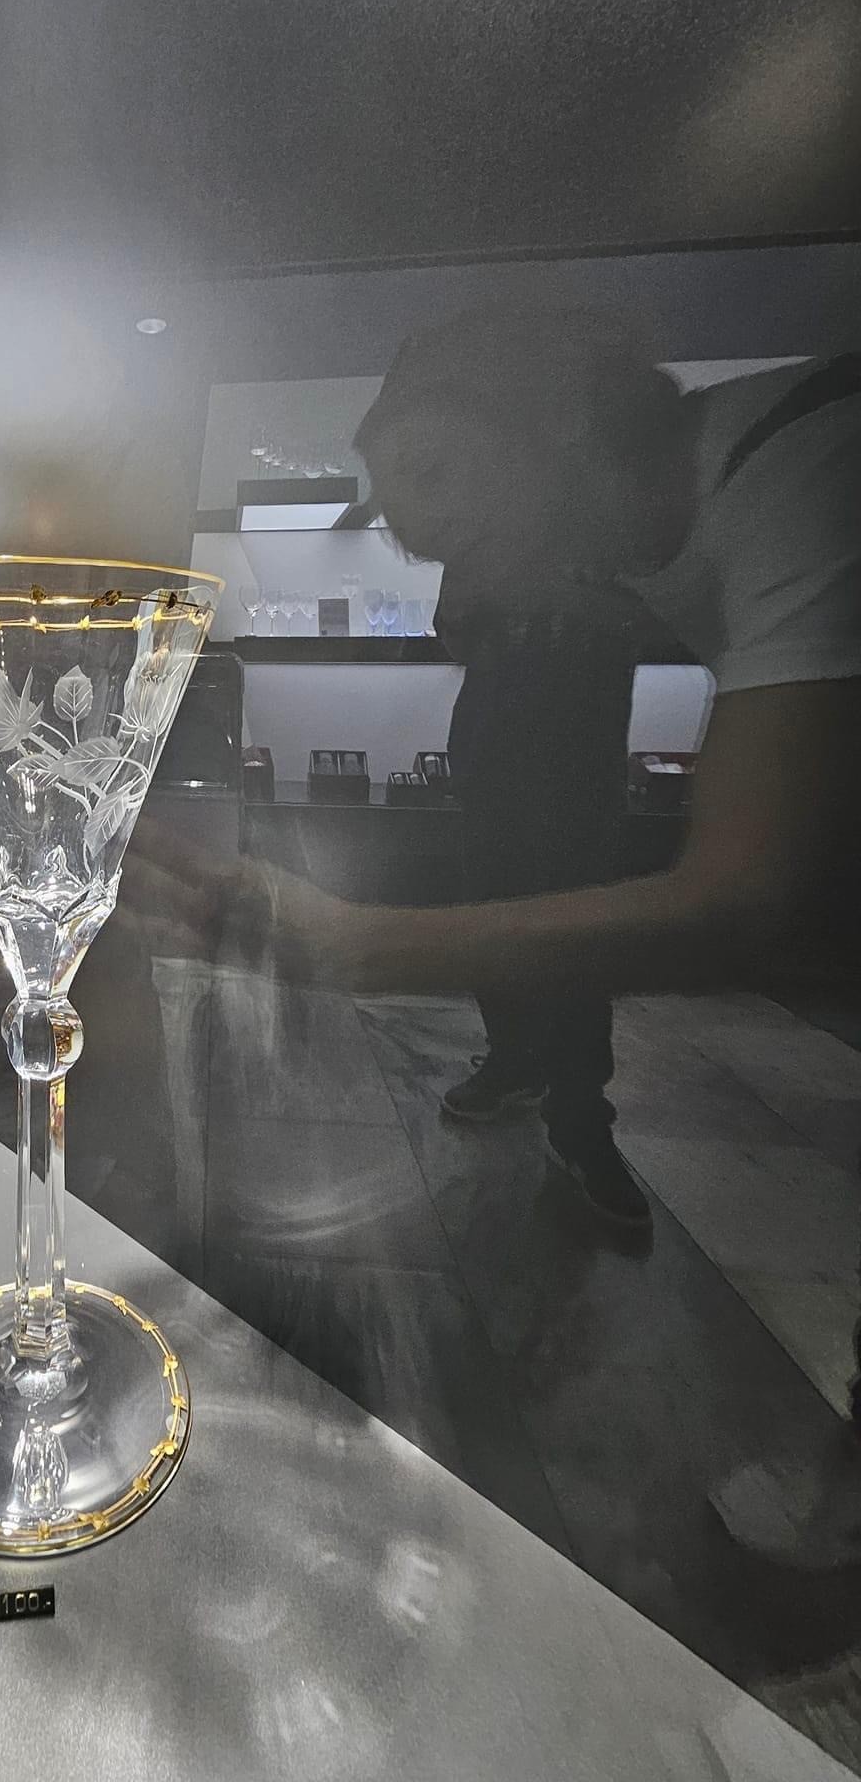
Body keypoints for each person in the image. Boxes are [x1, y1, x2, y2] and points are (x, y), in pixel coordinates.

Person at [144, 311, 861, 1564]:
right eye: (393, 500)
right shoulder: (668, 540)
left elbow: (748, 896)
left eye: (436, 469)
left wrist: (363, 945)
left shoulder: (807, 472)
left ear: (567, 423)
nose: (415, 526)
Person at [434, 566, 645, 1225]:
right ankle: (516, 1061)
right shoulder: (485, 537)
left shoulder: (608, 528)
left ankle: (579, 1116)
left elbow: (648, 617)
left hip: (579, 756)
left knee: (580, 929)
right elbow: (453, 629)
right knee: (491, 912)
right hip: (494, 751)